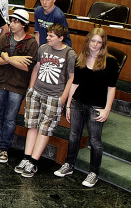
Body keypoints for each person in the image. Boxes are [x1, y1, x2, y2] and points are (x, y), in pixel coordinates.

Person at [56, 27, 120, 187]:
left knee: (95, 141)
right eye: (93, 40)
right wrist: (69, 105)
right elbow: (75, 84)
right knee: (73, 136)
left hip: (97, 106)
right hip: (78, 103)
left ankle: (93, 173)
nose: (95, 44)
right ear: (88, 41)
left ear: (103, 44)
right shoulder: (81, 58)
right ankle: (69, 165)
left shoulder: (110, 62)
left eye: (99, 42)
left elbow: (112, 88)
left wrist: (107, 109)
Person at [16, 23, 75, 179]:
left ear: (61, 38)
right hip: (36, 93)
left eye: (51, 36)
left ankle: (33, 162)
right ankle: (26, 158)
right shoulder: (43, 48)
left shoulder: (69, 54)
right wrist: (31, 88)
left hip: (54, 97)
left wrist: (63, 98)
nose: (47, 37)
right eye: (47, 35)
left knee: (44, 129)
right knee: (32, 126)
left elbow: (71, 78)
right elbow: (36, 67)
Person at [0, 9, 38, 164]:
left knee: (10, 119)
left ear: (23, 24)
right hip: (0, 83)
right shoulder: (5, 37)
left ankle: (3, 148)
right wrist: (15, 59)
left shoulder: (31, 42)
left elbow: (27, 67)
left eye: (15, 22)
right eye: (11, 21)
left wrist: (7, 57)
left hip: (18, 85)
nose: (12, 24)